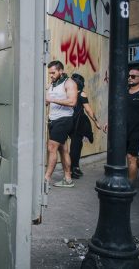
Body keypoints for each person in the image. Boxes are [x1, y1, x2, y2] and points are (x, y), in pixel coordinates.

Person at [44, 60, 78, 188]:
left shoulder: (69, 83)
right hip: (53, 120)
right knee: (63, 150)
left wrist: (51, 99)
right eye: (50, 73)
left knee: (51, 148)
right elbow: (47, 101)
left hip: (64, 120)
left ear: (61, 71)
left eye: (53, 72)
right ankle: (68, 179)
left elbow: (72, 102)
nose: (51, 75)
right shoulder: (53, 84)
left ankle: (45, 180)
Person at [68, 73, 102, 179]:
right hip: (77, 123)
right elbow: (88, 109)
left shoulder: (67, 92)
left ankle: (74, 168)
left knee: (75, 146)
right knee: (76, 146)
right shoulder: (81, 94)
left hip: (71, 120)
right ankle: (73, 169)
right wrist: (96, 122)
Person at [126, 67, 139, 182]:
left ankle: (130, 187)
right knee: (135, 159)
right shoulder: (124, 93)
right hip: (126, 131)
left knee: (131, 158)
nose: (130, 78)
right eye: (129, 76)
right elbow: (119, 111)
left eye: (133, 76)